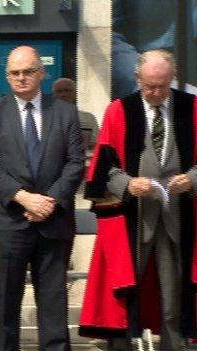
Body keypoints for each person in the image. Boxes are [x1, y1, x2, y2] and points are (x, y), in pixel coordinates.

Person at [79, 49, 197, 350]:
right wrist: (129, 184)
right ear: (137, 79)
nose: (155, 92)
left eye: (161, 85)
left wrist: (192, 179)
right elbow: (105, 168)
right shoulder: (119, 110)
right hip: (132, 219)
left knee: (173, 299)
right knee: (123, 294)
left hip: (177, 219)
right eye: (148, 86)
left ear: (172, 79)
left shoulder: (192, 108)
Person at [0, 45, 85, 351]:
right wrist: (25, 199)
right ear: (7, 75)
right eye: (14, 73)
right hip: (10, 221)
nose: (21, 78)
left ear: (42, 73)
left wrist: (48, 201)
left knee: (53, 307)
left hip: (54, 222)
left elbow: (76, 162)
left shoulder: (64, 112)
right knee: (5, 309)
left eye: (27, 71)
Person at [52, 77, 100, 150]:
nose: (63, 94)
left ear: (75, 93)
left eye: (67, 90)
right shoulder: (44, 117)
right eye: (59, 91)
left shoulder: (88, 118)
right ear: (53, 94)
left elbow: (96, 145)